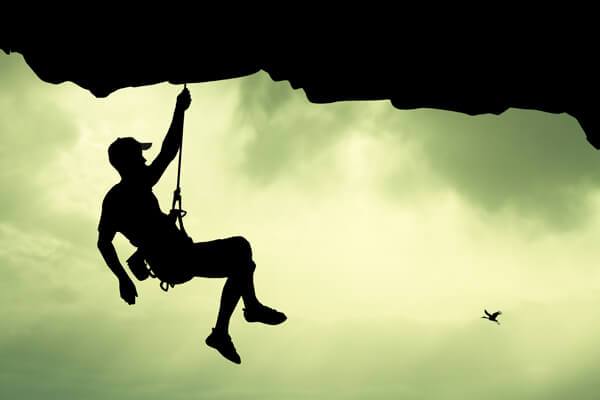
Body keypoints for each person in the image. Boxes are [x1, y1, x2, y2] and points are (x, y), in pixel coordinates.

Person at [97, 87, 286, 364]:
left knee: (243, 262)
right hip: (175, 259)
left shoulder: (118, 196)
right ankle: (240, 317)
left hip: (173, 259)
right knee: (240, 252)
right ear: (128, 162)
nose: (145, 159)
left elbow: (105, 242)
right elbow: (169, 150)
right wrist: (179, 110)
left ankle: (230, 326)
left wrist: (123, 279)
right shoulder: (134, 187)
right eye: (139, 155)